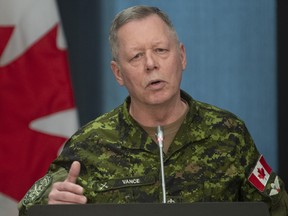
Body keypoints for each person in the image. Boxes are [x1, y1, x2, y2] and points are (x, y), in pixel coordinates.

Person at [18, 5, 288, 216]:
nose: (151, 64)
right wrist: (51, 200)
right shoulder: (90, 144)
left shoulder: (229, 133)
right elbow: (27, 208)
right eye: (136, 56)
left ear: (181, 56)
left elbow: (275, 207)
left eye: (160, 50)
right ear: (118, 73)